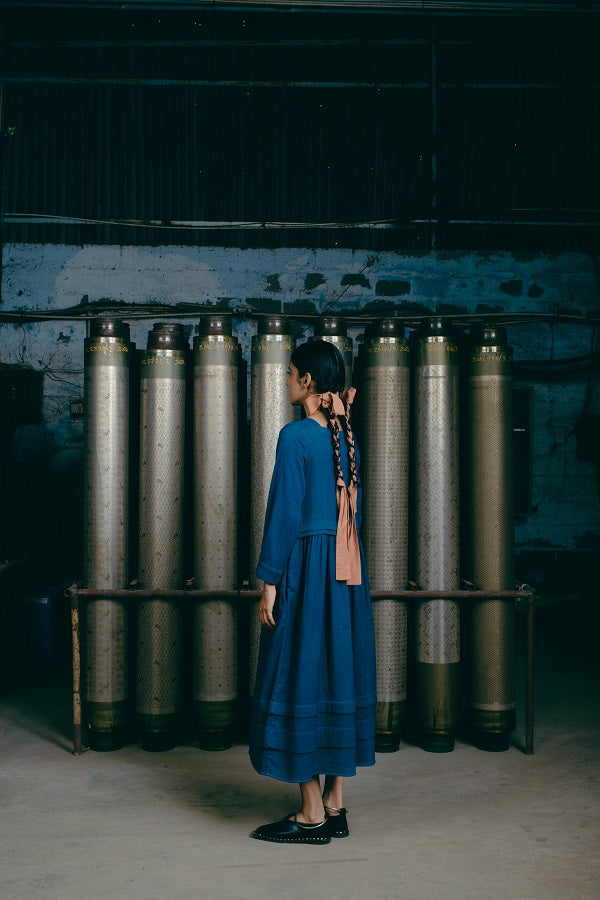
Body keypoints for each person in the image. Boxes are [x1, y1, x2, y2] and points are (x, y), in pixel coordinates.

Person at [249, 338, 376, 845]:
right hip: (348, 571)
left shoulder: (296, 435)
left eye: (289, 373)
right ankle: (335, 803)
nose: (284, 381)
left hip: (308, 565)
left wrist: (270, 582)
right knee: (337, 672)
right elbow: (354, 516)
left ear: (307, 383)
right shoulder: (346, 437)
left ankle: (310, 815)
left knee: (296, 673)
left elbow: (284, 513)